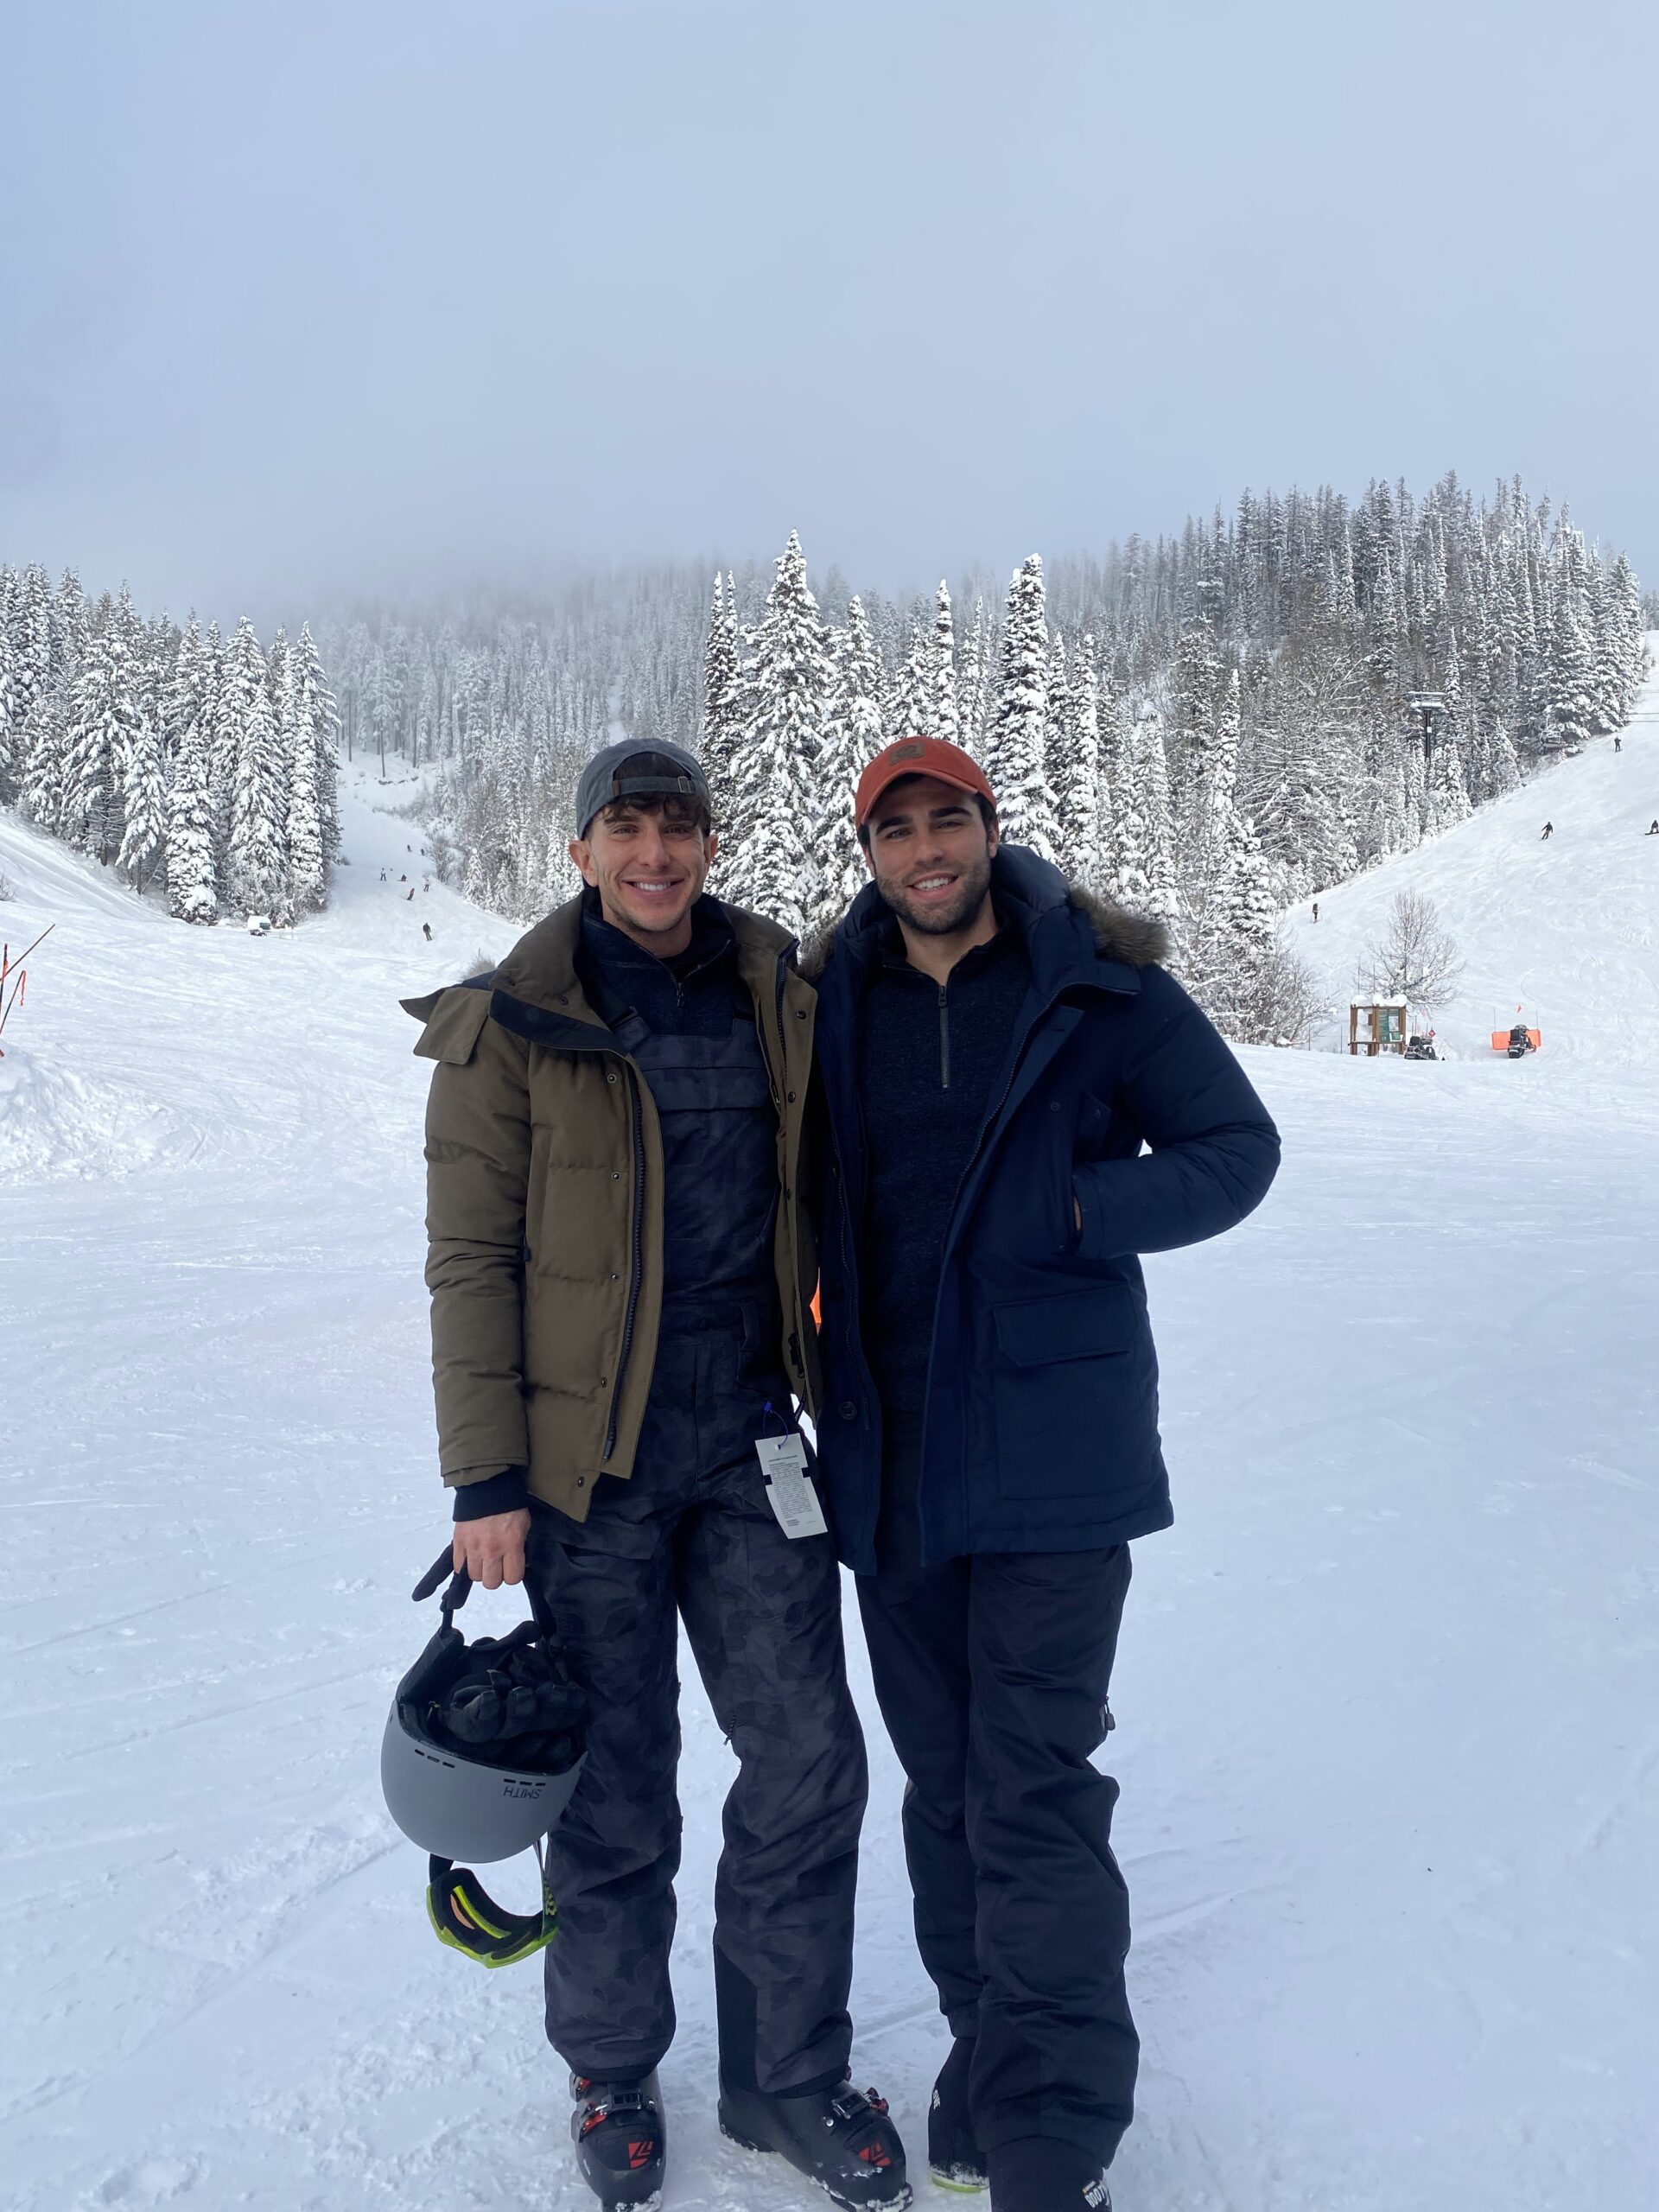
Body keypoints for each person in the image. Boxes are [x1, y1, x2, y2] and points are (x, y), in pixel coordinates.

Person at [404, 740, 905, 2212]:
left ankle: (789, 2074)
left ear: (706, 843)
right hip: (583, 1477)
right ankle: (612, 2068)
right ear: (582, 852)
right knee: (615, 1793)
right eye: (625, 829)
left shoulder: (774, 990)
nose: (655, 855)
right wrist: (484, 1476)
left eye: (677, 828)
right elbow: (467, 1264)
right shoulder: (508, 1024)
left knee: (810, 1763)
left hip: (753, 1440)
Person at [804, 735, 1281, 2212]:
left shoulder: (1099, 984)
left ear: (991, 832)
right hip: (888, 1464)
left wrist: (1073, 1205)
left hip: (1054, 1463)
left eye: (949, 823)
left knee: (1034, 1789)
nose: (926, 853)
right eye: (898, 832)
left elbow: (1235, 1148)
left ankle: (1054, 2142)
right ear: (869, 854)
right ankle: (987, 2052)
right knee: (943, 1789)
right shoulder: (829, 1001)